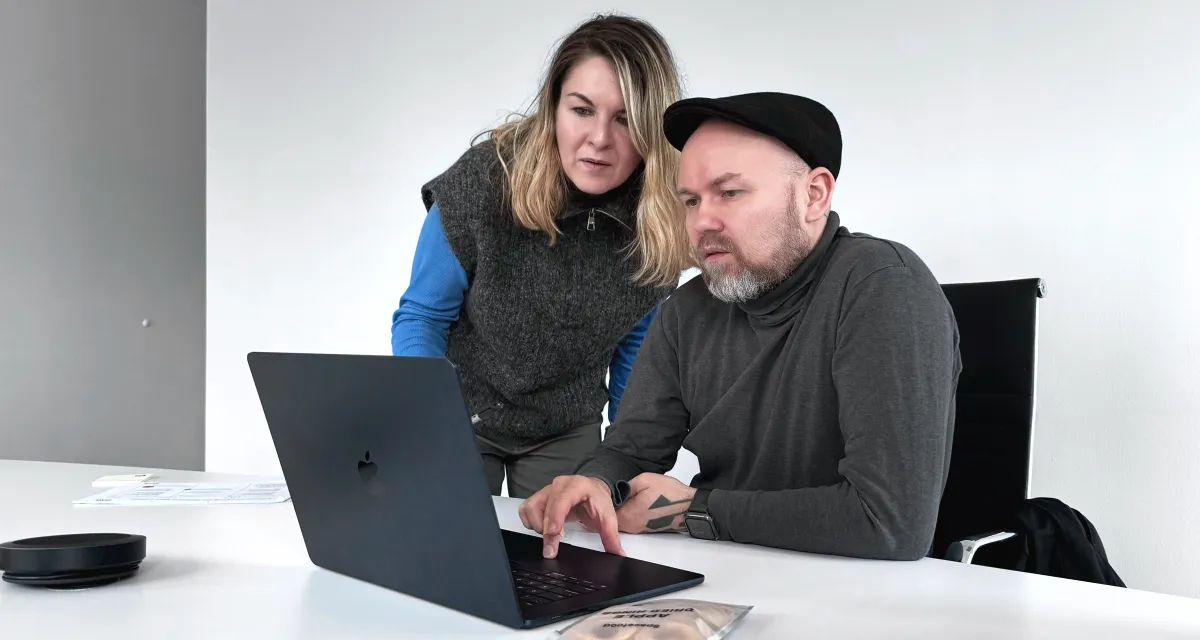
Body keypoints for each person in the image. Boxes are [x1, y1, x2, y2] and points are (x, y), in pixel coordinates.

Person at [518, 91, 962, 561]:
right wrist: (594, 483)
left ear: (814, 195)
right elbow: (631, 451)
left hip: (857, 585)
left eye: (729, 193)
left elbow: (891, 523)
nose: (701, 221)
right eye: (691, 200)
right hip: (723, 571)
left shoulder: (883, 286)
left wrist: (690, 511)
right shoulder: (686, 311)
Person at [389, 14, 690, 498]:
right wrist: (431, 419)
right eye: (582, 110)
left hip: (566, 428)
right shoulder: (481, 182)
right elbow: (422, 316)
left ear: (651, 128)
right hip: (461, 412)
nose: (599, 139)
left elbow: (634, 348)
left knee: (571, 543)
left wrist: (623, 464)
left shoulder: (661, 217)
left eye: (625, 119)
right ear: (553, 107)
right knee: (451, 535)